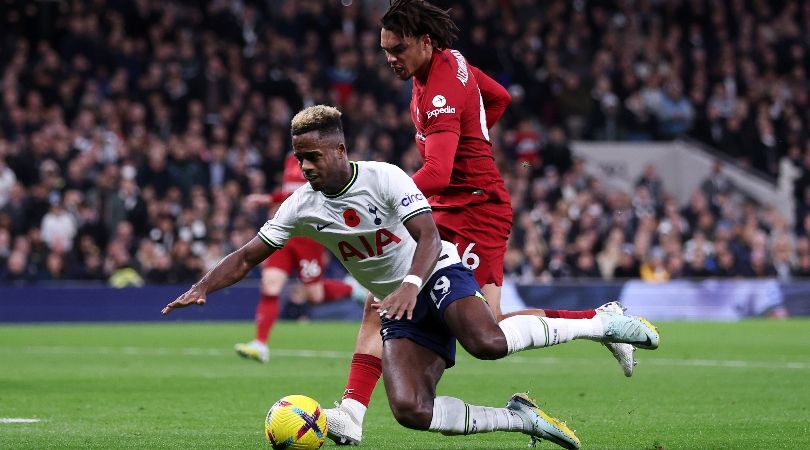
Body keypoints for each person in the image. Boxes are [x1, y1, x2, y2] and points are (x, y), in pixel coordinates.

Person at [162, 105, 660, 450]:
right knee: (410, 410)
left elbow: (426, 237)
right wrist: (202, 286)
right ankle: (518, 418)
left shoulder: (384, 177)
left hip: (434, 273)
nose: (305, 167)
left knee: (487, 340)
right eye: (299, 158)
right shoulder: (301, 206)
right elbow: (249, 255)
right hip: (398, 305)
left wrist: (408, 285)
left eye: (313, 156)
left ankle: (603, 321)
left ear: (339, 149)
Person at [327, 1, 636, 444]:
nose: (390, 58)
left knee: (488, 328)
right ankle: (351, 414)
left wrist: (382, 203)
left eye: (398, 48)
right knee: (384, 297)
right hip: (452, 204)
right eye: (384, 50)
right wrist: (474, 129)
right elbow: (500, 98)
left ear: (425, 42)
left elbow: (436, 173)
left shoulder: (437, 95)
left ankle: (599, 319)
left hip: (472, 208)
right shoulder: (451, 64)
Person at [234, 152, 363, 363]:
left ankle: (352, 289)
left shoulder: (323, 159)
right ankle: (260, 344)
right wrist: (270, 198)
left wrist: (269, 199)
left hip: (308, 235)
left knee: (315, 295)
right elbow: (290, 192)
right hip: (286, 230)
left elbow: (312, 193)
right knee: (270, 286)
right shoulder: (289, 158)